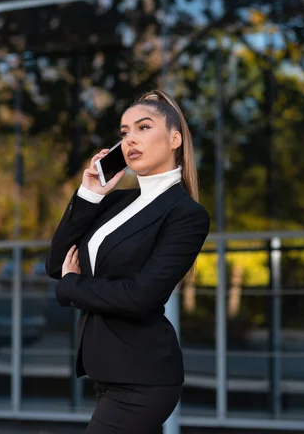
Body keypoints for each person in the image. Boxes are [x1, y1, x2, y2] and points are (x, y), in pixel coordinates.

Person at [45, 89, 210, 433]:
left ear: (175, 139)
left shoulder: (186, 214)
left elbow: (140, 296)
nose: (130, 140)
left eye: (144, 128)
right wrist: (90, 191)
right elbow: (57, 262)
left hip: (144, 379)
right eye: (124, 132)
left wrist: (73, 286)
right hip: (107, 373)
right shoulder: (113, 201)